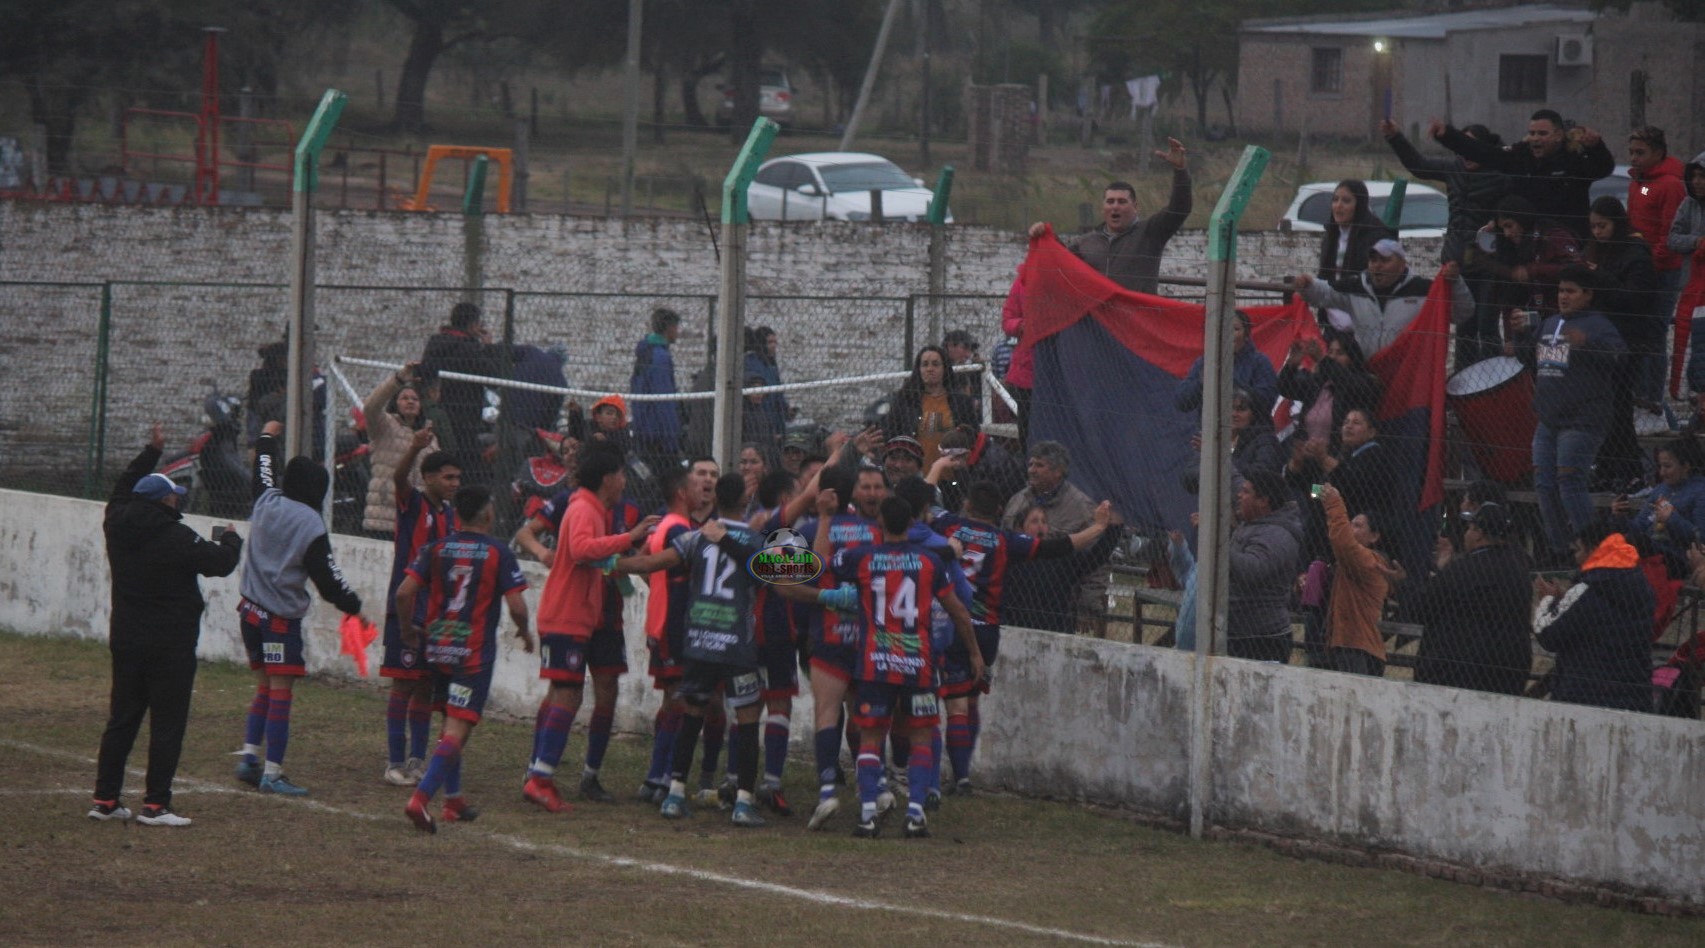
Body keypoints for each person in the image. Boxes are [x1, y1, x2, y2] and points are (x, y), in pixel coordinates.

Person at [90, 425, 243, 827]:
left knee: (121, 720)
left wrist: (150, 452)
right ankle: (156, 805)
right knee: (167, 724)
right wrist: (231, 540)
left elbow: (123, 488)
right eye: (175, 495)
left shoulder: (115, 523)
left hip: (125, 639)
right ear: (164, 501)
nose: (180, 500)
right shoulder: (177, 536)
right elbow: (221, 565)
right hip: (169, 646)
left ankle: (105, 799)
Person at [932, 481, 1116, 792]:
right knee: (970, 701)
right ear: (1001, 512)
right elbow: (1059, 547)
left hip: (949, 624)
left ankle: (935, 779)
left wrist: (937, 470)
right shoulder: (1004, 540)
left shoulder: (946, 523)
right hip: (986, 629)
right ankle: (961, 776)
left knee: (951, 705)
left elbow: (915, 509)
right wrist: (1099, 527)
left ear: (966, 505)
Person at [615, 473, 772, 827]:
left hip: (700, 642)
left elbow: (652, 564)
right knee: (746, 719)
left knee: (692, 714)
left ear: (715, 498)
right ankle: (744, 803)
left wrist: (611, 564)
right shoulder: (756, 540)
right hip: (737, 645)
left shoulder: (695, 538)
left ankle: (674, 793)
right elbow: (772, 574)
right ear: (746, 501)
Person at [521, 441, 659, 813]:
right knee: (566, 692)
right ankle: (539, 778)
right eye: (621, 474)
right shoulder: (583, 507)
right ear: (608, 478)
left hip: (575, 616)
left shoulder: (593, 507)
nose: (625, 480)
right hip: (566, 614)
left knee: (567, 692)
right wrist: (629, 538)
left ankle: (541, 773)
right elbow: (582, 549)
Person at [832, 496, 980, 839]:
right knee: (921, 735)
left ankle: (868, 814)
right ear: (912, 524)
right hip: (918, 663)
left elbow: (828, 564)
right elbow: (958, 609)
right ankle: (916, 813)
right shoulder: (930, 563)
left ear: (880, 523)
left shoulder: (863, 558)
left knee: (871, 735)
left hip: (876, 663)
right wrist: (974, 652)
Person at [234, 421, 365, 797]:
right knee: (280, 693)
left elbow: (262, 468)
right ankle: (272, 773)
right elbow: (328, 579)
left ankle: (248, 757)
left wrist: (265, 439)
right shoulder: (310, 524)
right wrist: (353, 605)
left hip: (249, 614)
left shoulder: (266, 500)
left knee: (263, 688)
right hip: (278, 621)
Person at [395, 485, 533, 833]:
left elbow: (403, 593)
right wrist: (525, 631)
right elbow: (517, 605)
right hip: (472, 654)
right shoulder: (498, 552)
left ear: (456, 516)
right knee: (459, 726)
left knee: (449, 721)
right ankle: (421, 799)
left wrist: (410, 631)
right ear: (489, 514)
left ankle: (453, 800)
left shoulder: (436, 548)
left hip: (437, 647)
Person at [1516, 266, 1627, 557]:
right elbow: (1531, 359)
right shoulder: (1550, 322)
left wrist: (1587, 343)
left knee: (1570, 483)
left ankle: (1591, 549)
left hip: (1582, 420)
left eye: (1571, 291)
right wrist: (1522, 335)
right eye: (1561, 290)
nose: (1563, 297)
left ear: (1587, 295)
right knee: (1544, 484)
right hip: (1549, 419)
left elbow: (1619, 357)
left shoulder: (1599, 324)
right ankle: (1562, 550)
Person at [630, 460, 717, 804]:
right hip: (675, 625)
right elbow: (646, 563)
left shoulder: (664, 525)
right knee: (680, 701)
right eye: (696, 485)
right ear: (683, 493)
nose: (703, 490)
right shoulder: (679, 529)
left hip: (662, 622)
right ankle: (664, 775)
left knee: (671, 701)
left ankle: (656, 776)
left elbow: (643, 562)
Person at [379, 431, 461, 787]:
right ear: (428, 478)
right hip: (406, 607)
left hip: (436, 612)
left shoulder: (451, 515)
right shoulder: (412, 503)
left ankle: (416, 760)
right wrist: (413, 447)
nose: (454, 483)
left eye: (457, 478)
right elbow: (398, 478)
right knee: (403, 685)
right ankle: (394, 762)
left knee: (426, 686)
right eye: (448, 477)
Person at [1025, 138, 1192, 295]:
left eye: (1122, 201)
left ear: (1135, 207)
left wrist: (1180, 171)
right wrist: (1046, 236)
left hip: (1137, 320)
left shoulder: (1150, 233)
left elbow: (1179, 209)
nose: (1115, 206)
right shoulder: (1086, 242)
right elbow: (1062, 263)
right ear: (1102, 208)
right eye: (1110, 201)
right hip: (1097, 323)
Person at [1409, 501, 1533, 695]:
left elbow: (1422, 608)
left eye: (1470, 528)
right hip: (1507, 669)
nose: (1466, 533)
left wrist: (1402, 585)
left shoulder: (1467, 567)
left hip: (1458, 669)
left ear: (1479, 533)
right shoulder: (1517, 567)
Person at [1434, 108, 1615, 238]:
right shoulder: (1520, 157)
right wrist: (1448, 136)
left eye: (1542, 133)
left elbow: (1603, 168)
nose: (1536, 138)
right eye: (1532, 133)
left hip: (1567, 243)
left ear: (1559, 135)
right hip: (1526, 245)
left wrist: (1597, 147)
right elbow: (1485, 152)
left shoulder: (1573, 160)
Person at [1533, 522, 1655, 712]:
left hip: (1584, 694)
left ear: (1593, 550)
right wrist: (1565, 600)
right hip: (1634, 693)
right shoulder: (1638, 583)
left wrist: (1547, 600)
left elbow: (1547, 634)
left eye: (1578, 550)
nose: (1576, 557)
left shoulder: (1589, 588)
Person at [1583, 195, 1663, 472]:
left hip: (1628, 340)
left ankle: (1628, 468)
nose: (1597, 232)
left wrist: (1599, 278)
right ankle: (1609, 466)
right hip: (1603, 339)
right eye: (1593, 227)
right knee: (1605, 408)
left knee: (1618, 408)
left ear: (1616, 223)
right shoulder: (1601, 250)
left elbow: (1636, 299)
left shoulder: (1635, 252)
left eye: (1602, 226)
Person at [1293, 239, 1472, 356]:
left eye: (1385, 260)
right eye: (1373, 260)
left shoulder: (1423, 290)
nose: (1377, 266)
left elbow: (1461, 313)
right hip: (1366, 374)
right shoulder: (1356, 287)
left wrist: (1455, 282)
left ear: (1402, 265)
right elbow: (1325, 294)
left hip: (1407, 374)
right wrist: (1309, 285)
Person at [1001, 440, 1105, 634]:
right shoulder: (1017, 500)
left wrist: (1087, 607)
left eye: (1039, 465)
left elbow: (1096, 563)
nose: (1032, 470)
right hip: (1014, 598)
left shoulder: (1081, 508)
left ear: (1058, 471)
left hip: (1058, 604)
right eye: (1030, 464)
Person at [1379, 118, 1508, 267]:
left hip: (1488, 261)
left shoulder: (1502, 176)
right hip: (1451, 259)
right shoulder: (1453, 168)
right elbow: (1419, 165)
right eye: (1463, 147)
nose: (1467, 154)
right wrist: (1395, 137)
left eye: (1472, 148)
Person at [1316, 483, 1398, 676]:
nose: (1351, 529)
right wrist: (1320, 490)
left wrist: (1334, 503)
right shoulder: (1349, 562)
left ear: (1375, 536)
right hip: (1347, 645)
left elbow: (1343, 542)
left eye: (1358, 525)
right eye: (1351, 524)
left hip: (1357, 649)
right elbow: (1310, 489)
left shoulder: (1371, 561)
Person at [1626, 127, 1688, 369]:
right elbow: (1636, 217)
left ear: (1658, 153)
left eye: (1640, 152)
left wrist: (1651, 260)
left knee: (1654, 332)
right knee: (1640, 330)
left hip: (1661, 270)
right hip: (1641, 264)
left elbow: (1669, 231)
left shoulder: (1670, 185)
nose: (1633, 158)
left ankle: (1651, 397)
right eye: (1631, 152)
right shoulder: (1641, 183)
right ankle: (1639, 390)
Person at [420, 302, 504, 479]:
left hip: (436, 411)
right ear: (473, 325)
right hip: (465, 416)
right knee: (466, 465)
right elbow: (494, 377)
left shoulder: (435, 343)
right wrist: (488, 347)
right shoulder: (468, 348)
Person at [1226, 470, 1303, 662]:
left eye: (1245, 492)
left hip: (1262, 639)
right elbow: (1235, 480)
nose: (1238, 495)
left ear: (1263, 501)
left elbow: (1251, 570)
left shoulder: (1277, 534)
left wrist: (1216, 542)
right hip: (1238, 634)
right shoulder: (1253, 523)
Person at [1469, 195, 1585, 317]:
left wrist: (1535, 270)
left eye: (1509, 225)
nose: (1507, 234)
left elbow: (1578, 270)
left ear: (1522, 219)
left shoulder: (1552, 237)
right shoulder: (1511, 248)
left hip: (1562, 318)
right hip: (1531, 321)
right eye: (1503, 228)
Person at [361, 361, 440, 537]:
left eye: (415, 399)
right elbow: (371, 407)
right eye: (404, 398)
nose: (410, 402)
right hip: (384, 518)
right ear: (395, 403)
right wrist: (400, 378)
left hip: (417, 519)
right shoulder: (384, 425)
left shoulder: (430, 437)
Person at [1277, 333, 1382, 455]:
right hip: (1306, 456)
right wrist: (1291, 365)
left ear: (1352, 358)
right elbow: (1285, 388)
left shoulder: (1363, 383)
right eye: (1330, 352)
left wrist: (1322, 360)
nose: (1333, 357)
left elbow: (1345, 380)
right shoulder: (1318, 383)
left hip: (1337, 457)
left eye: (1340, 353)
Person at [884, 346, 977, 470]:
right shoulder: (905, 400)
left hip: (953, 476)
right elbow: (892, 435)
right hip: (914, 475)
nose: (930, 369)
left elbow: (973, 435)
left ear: (944, 368)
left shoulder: (961, 402)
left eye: (935, 364)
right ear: (919, 369)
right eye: (925, 365)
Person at [1174, 310, 1278, 416]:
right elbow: (1182, 402)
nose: (1228, 334)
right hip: (1209, 429)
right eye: (1222, 329)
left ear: (1246, 334)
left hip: (1251, 430)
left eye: (1235, 329)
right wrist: (1202, 381)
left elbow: (1267, 400)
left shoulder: (1259, 362)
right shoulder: (1203, 362)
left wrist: (1230, 382)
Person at [1611, 437, 1705, 553]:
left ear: (1685, 466)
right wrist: (1621, 517)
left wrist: (1671, 519)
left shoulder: (1700, 491)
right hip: (1649, 550)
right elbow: (1639, 527)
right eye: (1660, 466)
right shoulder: (1661, 489)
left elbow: (1701, 537)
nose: (1661, 472)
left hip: (1677, 555)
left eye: (1667, 466)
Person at [924, 425, 1024, 517]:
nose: (948, 463)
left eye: (950, 459)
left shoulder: (991, 464)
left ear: (966, 455)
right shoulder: (971, 461)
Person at [1670, 152, 1705, 400]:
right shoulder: (1688, 205)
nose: (1697, 182)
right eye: (1693, 176)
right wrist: (1697, 241)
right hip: (1692, 286)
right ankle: (1695, 394)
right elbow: (1673, 239)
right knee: (1694, 342)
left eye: (1702, 176)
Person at [1315, 179, 1396, 284]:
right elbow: (1324, 276)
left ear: (1359, 205)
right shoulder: (1331, 235)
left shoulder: (1376, 237)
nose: (1339, 205)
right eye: (1335, 200)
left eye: (1346, 201)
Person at [630, 307, 683, 465]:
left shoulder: (645, 352)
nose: (678, 333)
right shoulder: (660, 357)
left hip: (643, 429)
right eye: (676, 328)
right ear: (670, 328)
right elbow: (664, 400)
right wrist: (671, 440)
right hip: (659, 436)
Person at [743, 326, 790, 437]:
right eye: (769, 342)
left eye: (775, 342)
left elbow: (778, 390)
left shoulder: (772, 364)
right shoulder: (750, 362)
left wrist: (786, 408)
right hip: (759, 417)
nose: (773, 346)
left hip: (775, 417)